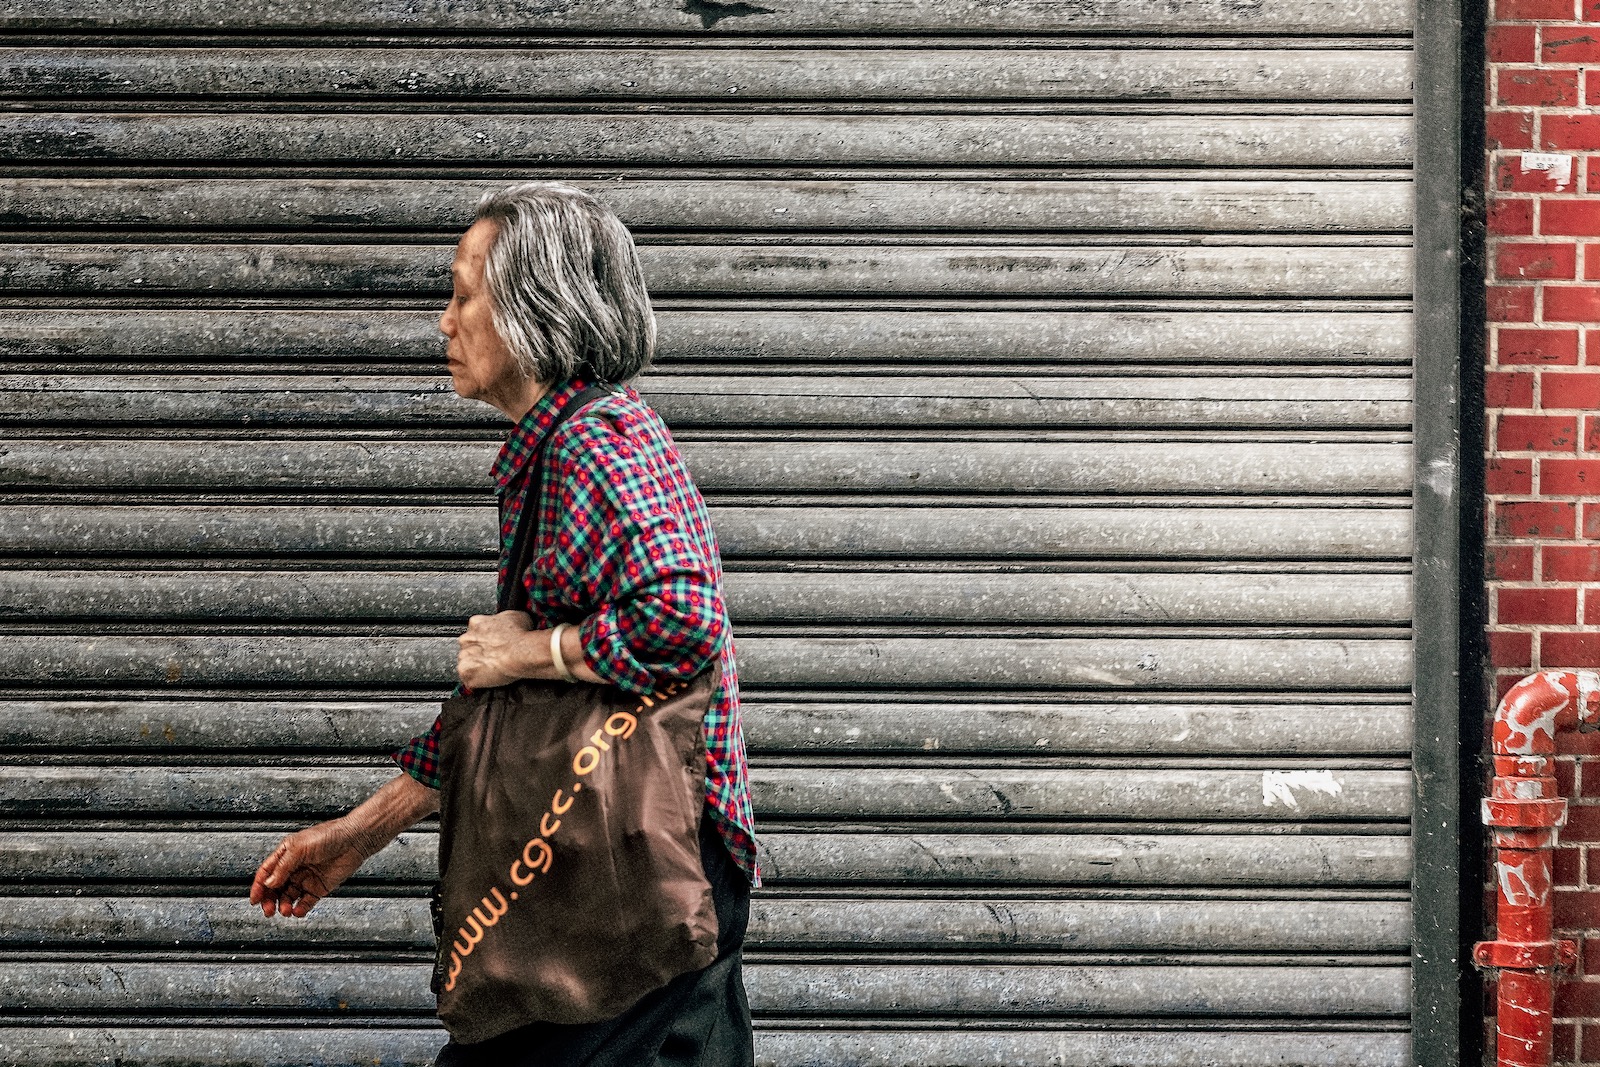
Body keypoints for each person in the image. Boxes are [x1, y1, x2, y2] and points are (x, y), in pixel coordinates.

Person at [248, 181, 759, 1066]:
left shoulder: (597, 442)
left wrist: (531, 648)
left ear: (534, 310)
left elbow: (682, 620)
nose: (444, 322)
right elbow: (509, 710)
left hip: (642, 866)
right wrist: (362, 831)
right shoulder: (559, 446)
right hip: (618, 857)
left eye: (463, 294)